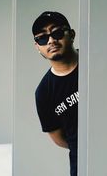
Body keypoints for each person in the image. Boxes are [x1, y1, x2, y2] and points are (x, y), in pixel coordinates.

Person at [33, 11, 79, 176]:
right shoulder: (44, 92)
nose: (51, 40)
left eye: (57, 33)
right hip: (82, 162)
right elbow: (59, 138)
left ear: (71, 35)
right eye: (42, 38)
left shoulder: (94, 62)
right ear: (37, 47)